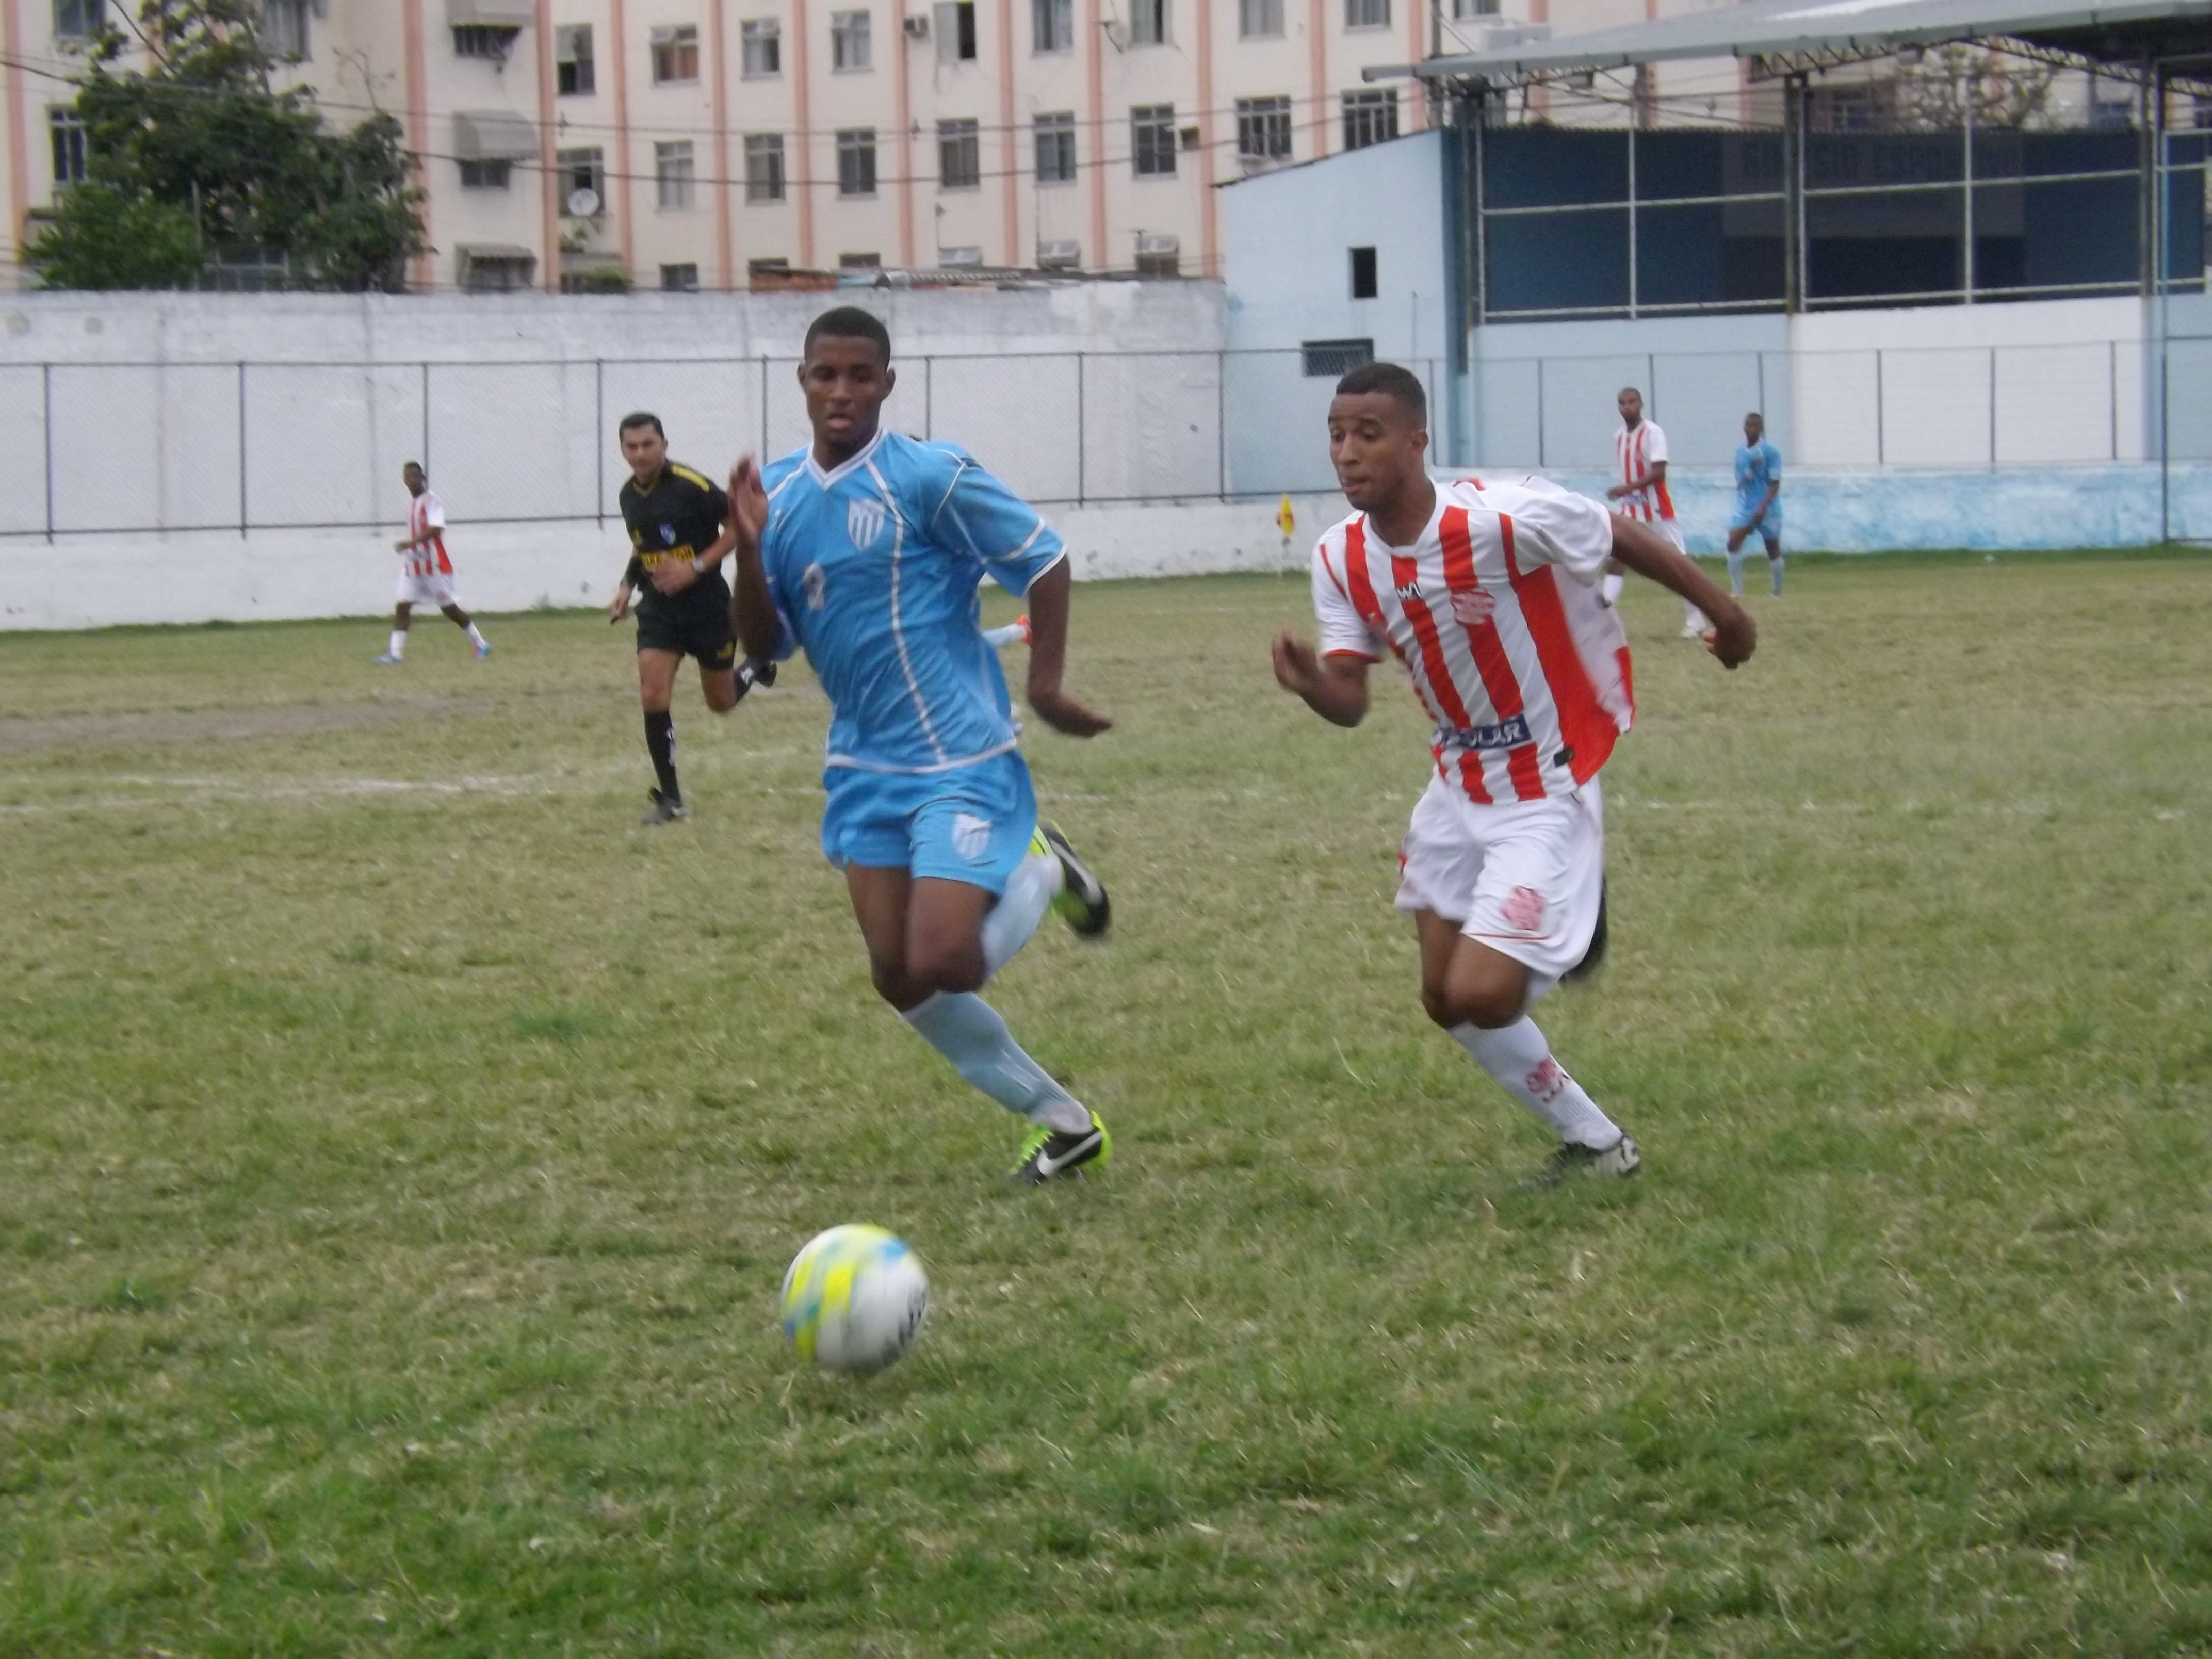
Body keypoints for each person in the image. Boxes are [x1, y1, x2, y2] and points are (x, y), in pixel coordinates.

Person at [1271, 362, 1756, 1186]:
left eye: (1369, 433)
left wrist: (1729, 616)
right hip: (1457, 787)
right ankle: (1599, 1145)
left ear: (1418, 442)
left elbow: (1621, 535)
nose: (1347, 453)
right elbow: (1352, 700)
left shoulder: (1497, 515)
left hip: (1546, 779)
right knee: (1442, 999)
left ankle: (1575, 912)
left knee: (1487, 998)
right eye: (1336, 435)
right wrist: (1314, 685)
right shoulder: (1340, 557)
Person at [725, 306, 1116, 1186]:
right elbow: (761, 647)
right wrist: (747, 555)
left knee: (945, 957)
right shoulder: (779, 499)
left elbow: (1043, 558)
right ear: (801, 379)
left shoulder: (928, 476)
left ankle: (1043, 869)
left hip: (960, 754)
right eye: (825, 374)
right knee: (899, 979)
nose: (841, 392)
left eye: (860, 376)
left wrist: (1044, 685)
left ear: (887, 385)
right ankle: (1060, 1121)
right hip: (864, 768)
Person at [608, 413, 777, 825]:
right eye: (632, 446)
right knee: (652, 691)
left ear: (664, 444)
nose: (640, 453)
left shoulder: (692, 487)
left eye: (648, 444)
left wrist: (696, 567)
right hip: (660, 608)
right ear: (623, 450)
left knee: (719, 702)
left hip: (706, 606)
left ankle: (755, 668)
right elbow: (641, 546)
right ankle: (671, 799)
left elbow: (741, 526)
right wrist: (628, 586)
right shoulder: (628, 495)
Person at [1604, 387, 1706, 639]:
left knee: (1678, 563)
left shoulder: (1653, 432)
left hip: (1658, 510)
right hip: (1631, 509)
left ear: (1641, 404)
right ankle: (1603, 620)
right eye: (1622, 403)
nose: (1627, 407)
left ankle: (1696, 619)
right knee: (1617, 558)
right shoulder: (1619, 436)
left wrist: (1625, 488)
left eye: (1632, 402)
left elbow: (1658, 471)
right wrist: (1625, 493)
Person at [375, 462, 490, 664]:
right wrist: (409, 547)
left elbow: (435, 528)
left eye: (415, 476)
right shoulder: (410, 505)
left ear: (422, 478)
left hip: (434, 566)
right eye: (408, 477)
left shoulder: (432, 501)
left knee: (449, 609)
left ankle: (481, 644)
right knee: (403, 606)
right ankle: (395, 654)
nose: (411, 481)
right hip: (413, 567)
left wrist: (410, 542)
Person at [1727, 412, 1784, 599]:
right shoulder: (1740, 452)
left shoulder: (1770, 452)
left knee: (1772, 548)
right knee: (1733, 541)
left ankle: (1776, 592)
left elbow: (1775, 483)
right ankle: (1738, 590)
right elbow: (1739, 480)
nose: (1751, 429)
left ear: (1761, 429)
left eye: (1755, 426)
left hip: (1769, 508)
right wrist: (1749, 470)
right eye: (1748, 425)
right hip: (1746, 507)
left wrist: (1763, 507)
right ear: (1744, 428)